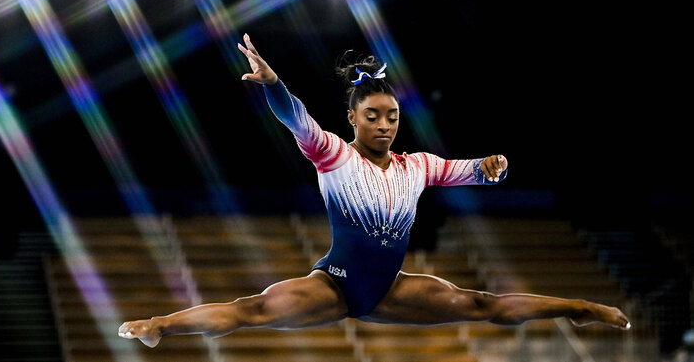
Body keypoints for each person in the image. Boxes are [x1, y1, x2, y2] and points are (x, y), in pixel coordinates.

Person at [118, 33, 631, 347]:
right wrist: (274, 85)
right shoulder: (332, 153)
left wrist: (490, 165)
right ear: (352, 119)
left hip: (390, 289)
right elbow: (295, 119)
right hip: (335, 284)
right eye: (372, 116)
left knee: (482, 305)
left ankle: (576, 308)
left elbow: (467, 169)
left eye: (392, 117)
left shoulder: (417, 166)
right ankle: (163, 323)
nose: (384, 125)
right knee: (251, 310)